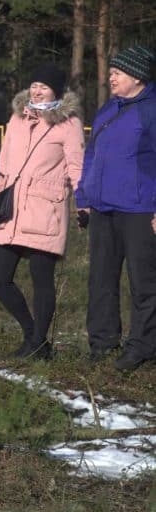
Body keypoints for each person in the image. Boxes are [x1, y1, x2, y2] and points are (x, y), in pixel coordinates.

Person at [0, 64, 84, 360]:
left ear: (57, 90)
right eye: (34, 85)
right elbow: (3, 165)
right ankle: (33, 336)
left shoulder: (69, 123)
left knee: (42, 278)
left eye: (44, 86)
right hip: (11, 208)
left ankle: (38, 341)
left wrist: (84, 203)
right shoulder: (17, 119)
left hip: (45, 209)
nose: (37, 91)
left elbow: (76, 167)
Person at [75, 45, 156, 371]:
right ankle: (102, 342)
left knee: (143, 282)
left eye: (117, 73)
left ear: (136, 76)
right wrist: (83, 197)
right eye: (110, 72)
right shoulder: (108, 109)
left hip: (139, 209)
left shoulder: (150, 110)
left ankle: (143, 346)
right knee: (101, 279)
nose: (110, 77)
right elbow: (92, 155)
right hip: (103, 208)